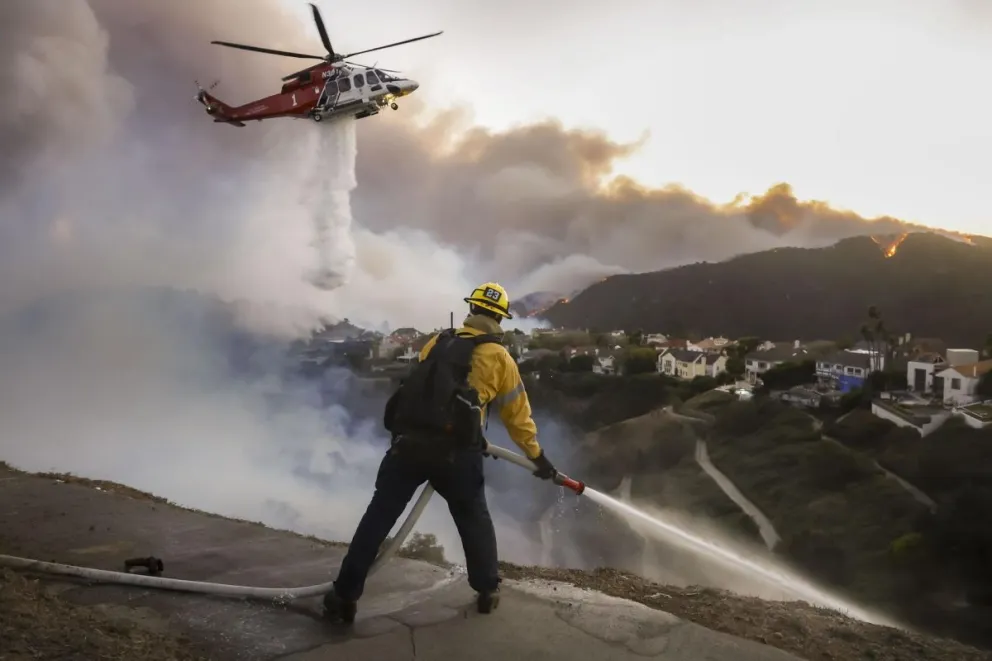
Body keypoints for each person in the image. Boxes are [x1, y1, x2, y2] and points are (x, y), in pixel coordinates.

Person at [322, 281, 557, 623]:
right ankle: (487, 589)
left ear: (472, 310)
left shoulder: (436, 342)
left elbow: (424, 391)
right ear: (500, 319)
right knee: (473, 518)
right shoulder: (500, 359)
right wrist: (537, 457)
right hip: (456, 456)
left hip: (408, 447)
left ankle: (344, 595)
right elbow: (518, 418)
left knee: (378, 517)